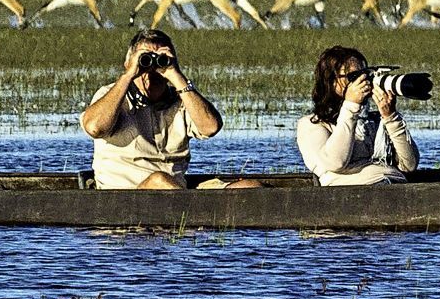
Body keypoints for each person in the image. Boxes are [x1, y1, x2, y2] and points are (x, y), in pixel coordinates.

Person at [80, 29, 255, 189]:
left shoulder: (182, 100)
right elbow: (95, 127)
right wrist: (129, 74)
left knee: (249, 187)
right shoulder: (112, 96)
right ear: (128, 62)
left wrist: (174, 73)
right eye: (145, 59)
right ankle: (199, 215)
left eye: (160, 59)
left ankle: (198, 214)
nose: (152, 68)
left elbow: (210, 127)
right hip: (126, 198)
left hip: (177, 193)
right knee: (159, 180)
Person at [296, 46, 420, 186]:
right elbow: (335, 162)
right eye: (353, 77)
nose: (362, 82)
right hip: (352, 197)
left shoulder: (375, 122)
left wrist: (390, 117)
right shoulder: (312, 124)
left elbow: (409, 165)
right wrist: (350, 106)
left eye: (364, 74)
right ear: (330, 82)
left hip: (395, 187)